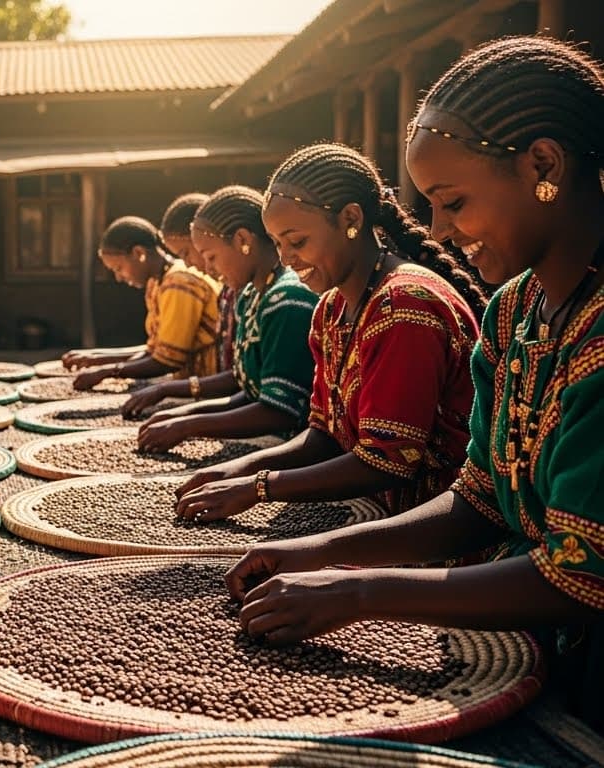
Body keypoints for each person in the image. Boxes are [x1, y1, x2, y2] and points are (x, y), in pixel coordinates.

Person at [226, 39, 604, 723]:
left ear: (542, 166)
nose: (440, 229)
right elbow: (478, 500)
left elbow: (580, 574)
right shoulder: (514, 311)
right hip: (513, 633)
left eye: (452, 201)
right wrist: (320, 550)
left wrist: (359, 593)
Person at [175, 143, 487, 523]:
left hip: (437, 531)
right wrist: (239, 470)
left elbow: (387, 462)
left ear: (350, 219)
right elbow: (324, 436)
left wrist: (260, 487)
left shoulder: (404, 306)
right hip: (379, 515)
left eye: (298, 242)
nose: (287, 258)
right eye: (277, 244)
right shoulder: (332, 309)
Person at [130, 186, 317, 452]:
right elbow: (250, 392)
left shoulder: (286, 299)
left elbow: (280, 410)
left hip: (292, 452)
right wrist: (185, 415)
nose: (207, 269)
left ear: (243, 240)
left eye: (211, 257)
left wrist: (189, 425)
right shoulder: (251, 294)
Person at [70, 216, 222, 391]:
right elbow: (155, 349)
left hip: (207, 386)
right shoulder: (157, 282)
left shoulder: (179, 283)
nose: (119, 278)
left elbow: (168, 359)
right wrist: (97, 359)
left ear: (138, 253)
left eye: (118, 269)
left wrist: (109, 372)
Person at [162, 192, 238, 372]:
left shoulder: (181, 281)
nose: (187, 263)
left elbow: (169, 358)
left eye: (186, 253)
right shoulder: (227, 290)